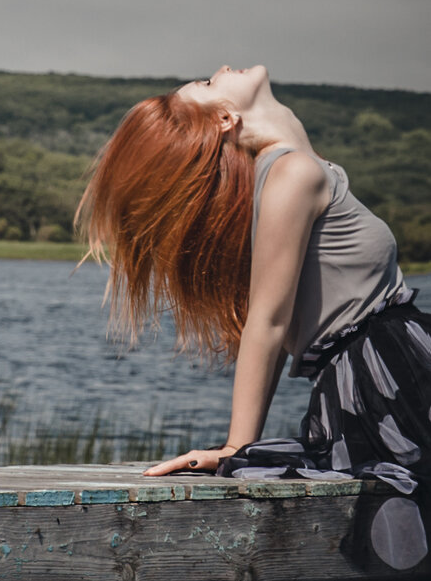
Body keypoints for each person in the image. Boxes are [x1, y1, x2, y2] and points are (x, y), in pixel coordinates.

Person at [76, 65, 426, 573]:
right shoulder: (290, 174)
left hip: (390, 372)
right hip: (391, 379)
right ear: (223, 118)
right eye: (208, 84)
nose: (219, 69)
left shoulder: (295, 167)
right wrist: (239, 447)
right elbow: (267, 321)